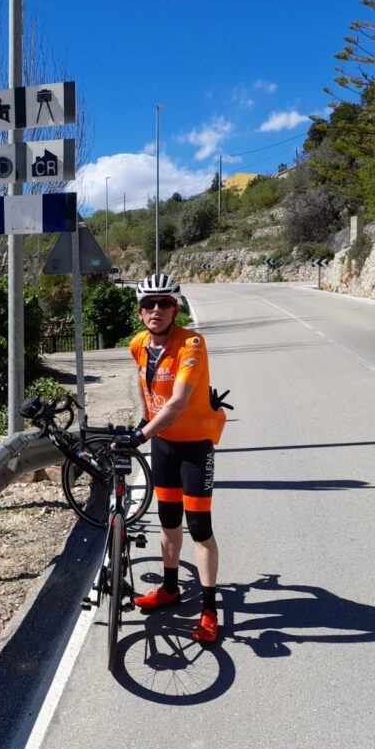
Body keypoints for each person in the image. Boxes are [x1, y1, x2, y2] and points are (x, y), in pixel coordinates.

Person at [111, 273, 228, 642]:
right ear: (140, 310)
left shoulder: (191, 344)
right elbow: (146, 389)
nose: (156, 310)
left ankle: (209, 610)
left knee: (199, 527)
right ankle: (170, 588)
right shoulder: (137, 345)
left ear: (175, 309)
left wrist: (140, 435)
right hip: (163, 446)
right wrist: (142, 423)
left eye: (165, 303)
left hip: (195, 446)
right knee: (168, 522)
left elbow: (177, 402)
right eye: (149, 303)